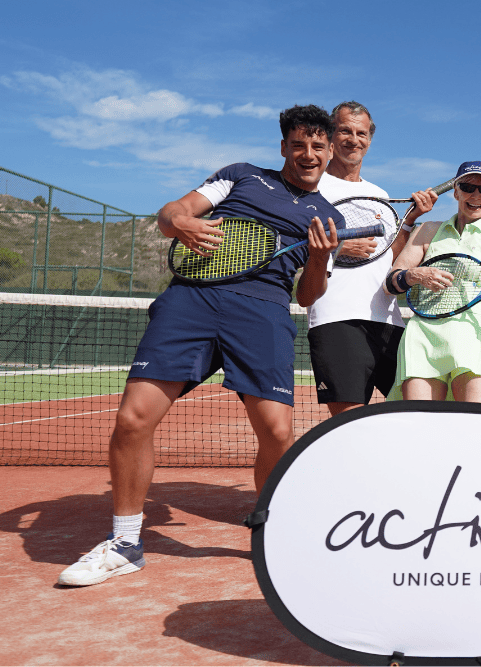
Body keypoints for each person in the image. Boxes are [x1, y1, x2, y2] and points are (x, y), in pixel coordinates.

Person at [58, 105, 343, 587]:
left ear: (330, 151)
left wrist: (318, 258)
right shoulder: (241, 176)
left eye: (318, 146)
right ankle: (125, 542)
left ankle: (269, 529)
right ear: (283, 148)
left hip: (263, 311)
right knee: (133, 417)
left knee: (276, 432)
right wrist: (179, 224)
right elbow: (172, 211)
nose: (308, 154)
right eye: (298, 145)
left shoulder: (327, 216)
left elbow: (308, 294)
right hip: (191, 300)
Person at [296, 101, 436, 417]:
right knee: (349, 425)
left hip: (389, 322)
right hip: (336, 319)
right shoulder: (309, 189)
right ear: (331, 136)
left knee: (413, 418)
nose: (353, 139)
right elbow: (291, 246)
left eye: (361, 133)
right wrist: (334, 248)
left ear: (369, 140)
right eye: (345, 130)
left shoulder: (380, 195)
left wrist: (410, 220)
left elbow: (390, 259)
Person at [383, 161, 481, 404]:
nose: (476, 195)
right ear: (456, 191)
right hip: (423, 339)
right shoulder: (427, 230)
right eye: (468, 187)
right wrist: (415, 275)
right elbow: (390, 283)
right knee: (421, 426)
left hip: (474, 338)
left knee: (475, 427)